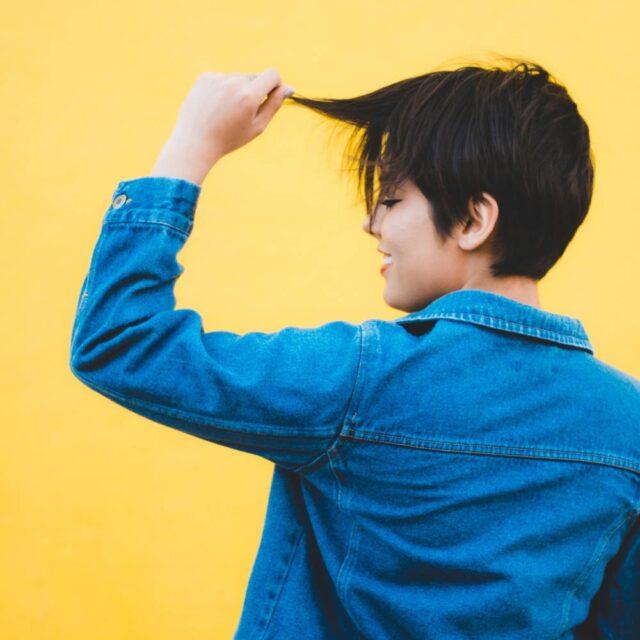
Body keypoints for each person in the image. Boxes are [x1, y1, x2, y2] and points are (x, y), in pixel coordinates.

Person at [69, 59, 640, 638]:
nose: (371, 222)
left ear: (473, 220)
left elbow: (118, 341)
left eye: (390, 199)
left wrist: (191, 148)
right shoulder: (629, 423)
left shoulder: (362, 379)